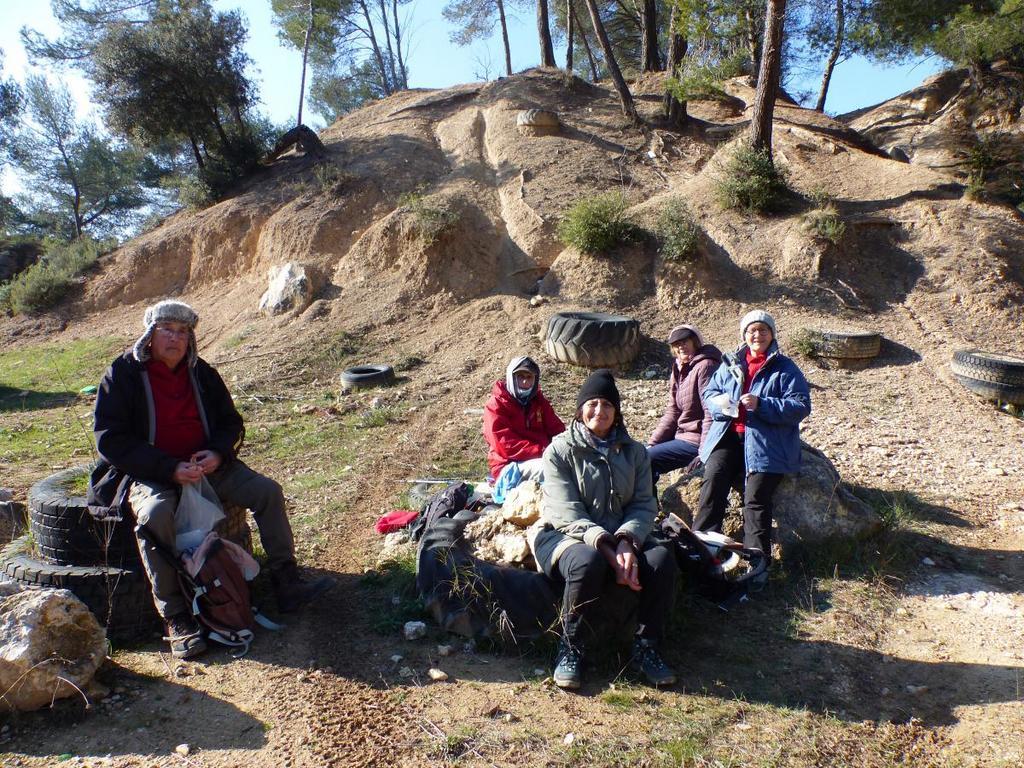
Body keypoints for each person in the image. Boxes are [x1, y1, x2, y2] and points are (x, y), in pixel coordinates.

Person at [88, 300, 336, 659]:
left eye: (183, 332)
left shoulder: (201, 373)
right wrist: (168, 468)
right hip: (152, 472)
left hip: (208, 466)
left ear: (191, 338)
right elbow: (110, 438)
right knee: (155, 515)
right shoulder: (122, 374)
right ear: (150, 334)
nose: (175, 338)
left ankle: (286, 582)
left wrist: (218, 453)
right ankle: (176, 618)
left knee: (267, 492)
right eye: (166, 330)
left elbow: (230, 423)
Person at [531, 370, 678, 690]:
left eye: (608, 405)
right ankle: (571, 647)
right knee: (587, 562)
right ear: (581, 409)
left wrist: (627, 541)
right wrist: (610, 552)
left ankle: (646, 646)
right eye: (593, 404)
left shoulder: (635, 452)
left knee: (660, 561)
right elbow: (566, 510)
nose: (600, 411)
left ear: (617, 411)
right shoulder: (559, 451)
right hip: (563, 532)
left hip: (620, 532)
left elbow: (643, 504)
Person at [694, 310, 811, 573]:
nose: (757, 335)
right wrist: (722, 405)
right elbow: (710, 392)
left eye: (763, 330)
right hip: (729, 435)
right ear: (744, 335)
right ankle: (700, 548)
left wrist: (762, 404)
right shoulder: (731, 362)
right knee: (713, 480)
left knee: (756, 498)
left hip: (765, 442)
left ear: (772, 334)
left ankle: (756, 563)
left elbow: (800, 406)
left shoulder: (785, 368)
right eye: (751, 331)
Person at [647, 324, 722, 480]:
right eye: (676, 344)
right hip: (682, 435)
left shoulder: (706, 366)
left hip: (696, 439)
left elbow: (711, 412)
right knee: (636, 454)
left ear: (695, 342)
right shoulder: (679, 368)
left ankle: (646, 503)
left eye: (685, 341)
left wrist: (704, 453)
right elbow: (673, 410)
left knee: (646, 459)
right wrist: (653, 443)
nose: (681, 347)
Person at [482, 356, 564, 493]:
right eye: (520, 376)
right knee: (554, 469)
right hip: (509, 465)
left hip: (543, 457)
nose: (525, 381)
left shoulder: (539, 402)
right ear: (511, 377)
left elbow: (557, 429)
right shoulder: (496, 405)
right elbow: (505, 445)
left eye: (529, 377)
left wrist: (567, 446)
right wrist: (544, 451)